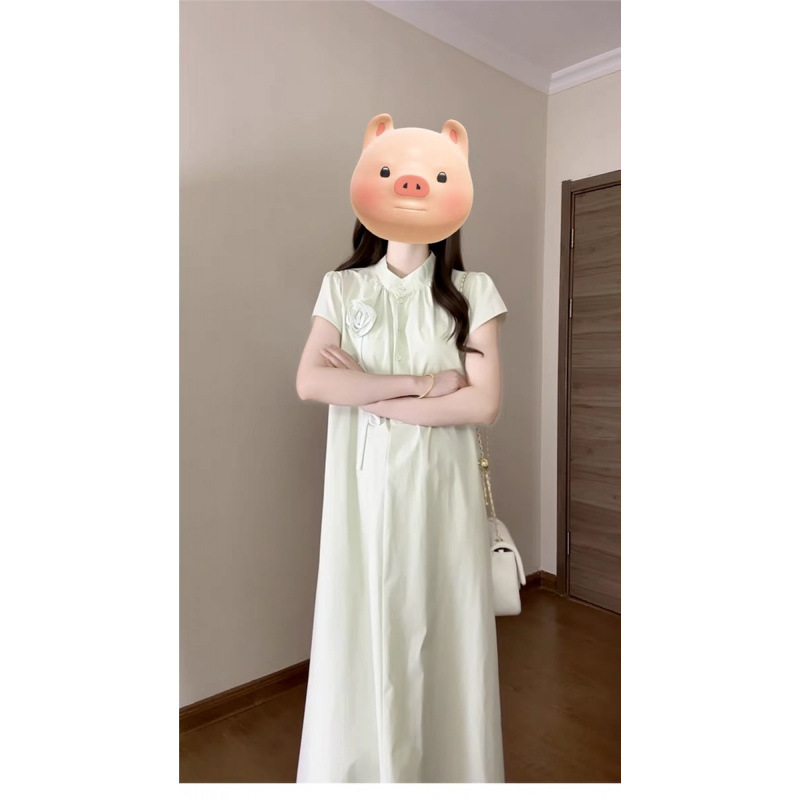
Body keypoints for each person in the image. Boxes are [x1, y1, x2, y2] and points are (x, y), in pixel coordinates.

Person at [295, 114, 508, 782]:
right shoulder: (343, 287)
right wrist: (422, 384)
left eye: (432, 176)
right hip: (361, 496)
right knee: (365, 626)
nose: (411, 187)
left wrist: (368, 394)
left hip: (443, 492)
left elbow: (482, 404)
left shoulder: (473, 293)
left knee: (439, 627)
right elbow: (310, 382)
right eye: (392, 172)